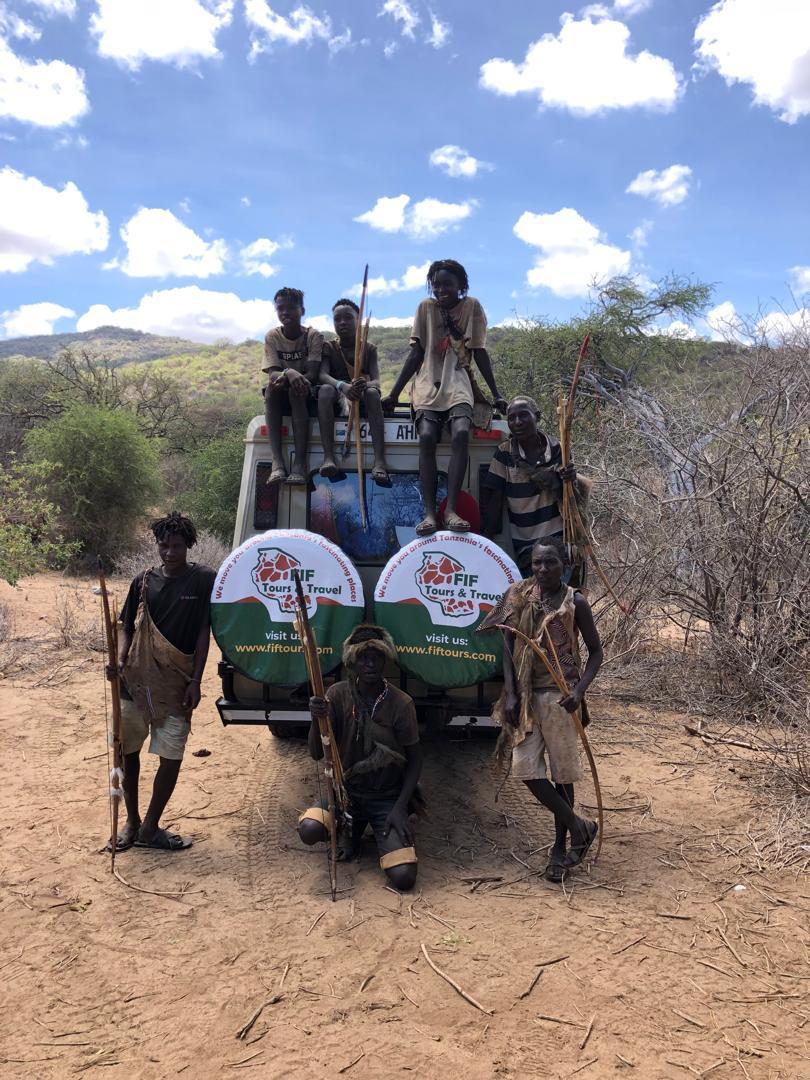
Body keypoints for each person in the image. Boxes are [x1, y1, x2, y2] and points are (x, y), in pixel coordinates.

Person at [480, 537, 603, 883]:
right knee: (526, 769)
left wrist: (579, 691)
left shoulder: (575, 601)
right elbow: (506, 641)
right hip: (526, 695)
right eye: (537, 563)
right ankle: (580, 826)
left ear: (563, 564)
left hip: (560, 698)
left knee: (562, 776)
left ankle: (560, 849)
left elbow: (595, 653)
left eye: (550, 563)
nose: (542, 569)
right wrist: (511, 692)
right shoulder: (518, 595)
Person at [108, 512, 215, 852]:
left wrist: (196, 680)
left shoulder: (202, 580)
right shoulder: (142, 580)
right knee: (128, 753)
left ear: (189, 546)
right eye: (164, 545)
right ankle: (132, 821)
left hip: (177, 682)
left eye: (177, 546)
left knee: (171, 756)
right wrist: (120, 659)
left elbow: (203, 631)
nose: (169, 553)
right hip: (134, 682)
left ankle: (152, 826)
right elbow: (126, 625)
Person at [381, 260, 507, 535]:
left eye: (447, 284)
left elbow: (480, 352)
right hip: (427, 381)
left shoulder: (471, 306)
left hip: (458, 379)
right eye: (436, 284)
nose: (441, 289)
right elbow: (416, 354)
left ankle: (450, 509)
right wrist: (394, 393)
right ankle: (429, 513)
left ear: (460, 285)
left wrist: (496, 394)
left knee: (461, 432)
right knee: (426, 436)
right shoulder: (425, 308)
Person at [298, 625, 423, 891]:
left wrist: (400, 808)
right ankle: (349, 832)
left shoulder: (401, 703)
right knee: (309, 829)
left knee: (403, 878)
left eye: (377, 657)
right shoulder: (336, 695)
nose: (370, 664)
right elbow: (316, 752)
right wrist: (316, 717)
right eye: (363, 657)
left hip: (385, 798)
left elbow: (415, 760)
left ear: (386, 659)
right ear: (351, 661)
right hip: (346, 795)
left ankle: (373, 832)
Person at [481, 395, 590, 582]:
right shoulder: (504, 453)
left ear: (537, 417)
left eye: (523, 416)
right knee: (537, 602)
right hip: (526, 547)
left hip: (559, 541)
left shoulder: (558, 449)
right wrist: (485, 546)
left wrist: (570, 479)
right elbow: (495, 501)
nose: (517, 422)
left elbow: (569, 497)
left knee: (556, 600)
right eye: (512, 418)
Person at [318, 298, 390, 484]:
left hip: (362, 395)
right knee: (325, 390)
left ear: (358, 321)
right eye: (337, 319)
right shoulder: (329, 347)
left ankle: (379, 461)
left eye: (348, 318)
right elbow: (323, 375)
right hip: (338, 394)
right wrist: (343, 386)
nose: (342, 323)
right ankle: (328, 458)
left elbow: (376, 381)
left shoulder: (369, 348)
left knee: (373, 393)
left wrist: (364, 385)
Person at [262, 286, 324, 485]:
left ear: (302, 311)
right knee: (271, 390)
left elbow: (313, 375)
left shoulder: (313, 336)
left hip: (306, 391)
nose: (285, 312)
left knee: (297, 391)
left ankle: (299, 463)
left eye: (291, 308)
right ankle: (277, 462)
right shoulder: (273, 336)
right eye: (280, 308)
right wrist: (289, 372)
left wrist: (294, 376)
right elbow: (273, 373)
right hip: (280, 390)